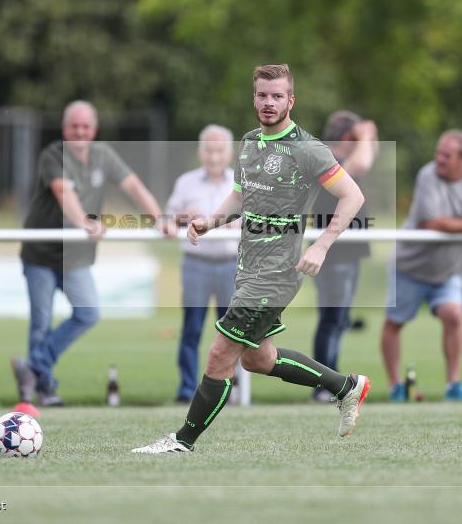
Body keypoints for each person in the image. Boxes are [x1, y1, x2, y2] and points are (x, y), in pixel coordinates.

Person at [133, 63, 370, 454]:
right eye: (262, 95)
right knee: (258, 359)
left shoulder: (307, 149)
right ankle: (346, 387)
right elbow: (240, 197)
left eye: (277, 96)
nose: (269, 102)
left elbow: (353, 196)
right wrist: (210, 221)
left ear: (291, 101)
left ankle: (182, 440)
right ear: (254, 98)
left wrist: (321, 245)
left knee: (219, 354)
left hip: (276, 274)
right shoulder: (249, 142)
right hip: (248, 269)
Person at [12, 100, 175, 407]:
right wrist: (84, 221)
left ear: (94, 129)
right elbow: (64, 193)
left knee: (88, 313)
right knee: (41, 323)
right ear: (65, 129)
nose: (80, 132)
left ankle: (31, 367)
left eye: (85, 126)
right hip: (41, 255)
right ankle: (44, 389)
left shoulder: (103, 155)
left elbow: (133, 186)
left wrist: (159, 217)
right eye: (74, 126)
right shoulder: (53, 155)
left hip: (76, 256)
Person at [381, 129, 462, 402]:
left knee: (453, 315)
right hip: (409, 266)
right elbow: (431, 222)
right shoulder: (427, 175)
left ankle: (454, 384)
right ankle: (396, 386)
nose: (439, 159)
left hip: (449, 270)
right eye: (438, 153)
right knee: (394, 323)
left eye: (447, 155)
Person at [165, 124, 239, 403]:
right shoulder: (186, 182)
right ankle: (187, 389)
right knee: (192, 328)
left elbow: (257, 220)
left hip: (231, 264)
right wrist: (184, 215)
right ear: (200, 152)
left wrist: (237, 223)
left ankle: (228, 389)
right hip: (196, 263)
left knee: (232, 332)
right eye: (209, 150)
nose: (214, 156)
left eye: (219, 150)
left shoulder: (241, 182)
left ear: (229, 153)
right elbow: (167, 221)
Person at [309, 111, 378, 402]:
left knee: (338, 320)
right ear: (348, 137)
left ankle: (330, 384)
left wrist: (367, 137)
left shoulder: (340, 158)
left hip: (345, 254)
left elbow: (367, 156)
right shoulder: (330, 159)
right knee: (331, 320)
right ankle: (324, 386)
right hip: (334, 255)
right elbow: (362, 162)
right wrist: (365, 135)